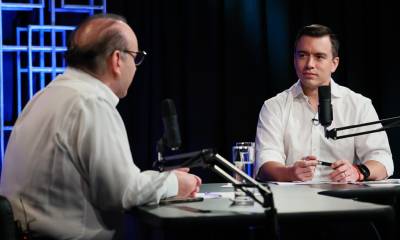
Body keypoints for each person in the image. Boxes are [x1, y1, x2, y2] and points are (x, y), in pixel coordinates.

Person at [0, 13, 201, 239]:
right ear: (117, 60)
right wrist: (175, 182)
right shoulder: (90, 104)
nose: (136, 68)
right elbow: (123, 192)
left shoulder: (43, 96)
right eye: (136, 58)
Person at [255, 24, 393, 182]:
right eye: (302, 55)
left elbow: (382, 160)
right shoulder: (274, 106)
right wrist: (290, 173)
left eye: (319, 57)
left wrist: (358, 172)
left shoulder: (359, 105)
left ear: (334, 63)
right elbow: (265, 163)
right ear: (294, 59)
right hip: (291, 203)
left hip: (346, 202)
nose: (309, 64)